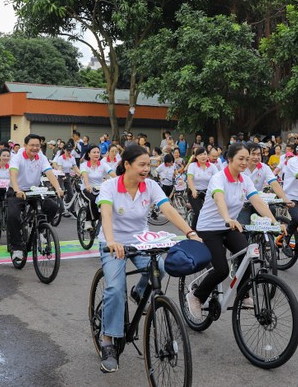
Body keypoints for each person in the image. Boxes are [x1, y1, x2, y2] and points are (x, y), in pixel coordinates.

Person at [96, 144, 201, 372]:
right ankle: (107, 341)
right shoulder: (109, 186)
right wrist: (112, 241)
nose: (146, 169)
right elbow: (105, 214)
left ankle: (139, 292)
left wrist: (190, 233)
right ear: (127, 165)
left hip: (141, 240)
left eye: (148, 165)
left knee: (161, 268)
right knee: (114, 288)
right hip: (114, 242)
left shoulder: (151, 186)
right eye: (141, 165)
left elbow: (168, 209)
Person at [185, 143, 285, 320]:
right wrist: (227, 218)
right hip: (209, 228)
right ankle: (197, 296)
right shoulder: (218, 178)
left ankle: (244, 294)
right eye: (241, 158)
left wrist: (274, 222)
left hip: (229, 226)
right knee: (221, 270)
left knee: (248, 254)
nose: (245, 162)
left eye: (247, 159)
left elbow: (257, 201)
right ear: (229, 159)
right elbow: (218, 198)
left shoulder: (244, 180)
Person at [7, 134, 65, 261]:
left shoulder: (41, 157)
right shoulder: (17, 158)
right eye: (32, 145)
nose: (35, 148)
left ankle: (41, 231)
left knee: (53, 207)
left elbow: (49, 173)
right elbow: (13, 174)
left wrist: (58, 188)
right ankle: (17, 248)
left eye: (37, 145)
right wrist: (17, 189)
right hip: (17, 191)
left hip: (34, 190)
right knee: (12, 215)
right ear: (25, 146)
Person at [80, 145, 115, 227]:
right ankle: (89, 221)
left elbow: (112, 173)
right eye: (94, 152)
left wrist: (119, 182)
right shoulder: (84, 165)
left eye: (98, 152)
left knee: (107, 202)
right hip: (87, 189)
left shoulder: (103, 164)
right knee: (92, 200)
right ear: (89, 154)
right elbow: (84, 175)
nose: (96, 154)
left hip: (100, 189)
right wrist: (87, 185)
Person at [186, 147, 217, 228]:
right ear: (196, 157)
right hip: (195, 192)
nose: (203, 156)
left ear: (207, 156)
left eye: (205, 154)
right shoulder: (192, 166)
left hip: (207, 192)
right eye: (200, 154)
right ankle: (193, 231)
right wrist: (193, 190)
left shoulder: (212, 167)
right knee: (198, 212)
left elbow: (218, 179)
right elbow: (189, 179)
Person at [52, 143, 78, 212]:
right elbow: (60, 168)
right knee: (61, 191)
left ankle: (71, 210)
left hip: (68, 175)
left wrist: (81, 174)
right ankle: (60, 208)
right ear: (64, 150)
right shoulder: (60, 158)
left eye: (70, 150)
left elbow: (75, 167)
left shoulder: (72, 158)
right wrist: (62, 175)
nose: (69, 152)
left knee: (71, 193)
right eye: (67, 150)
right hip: (61, 175)